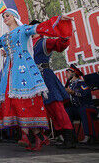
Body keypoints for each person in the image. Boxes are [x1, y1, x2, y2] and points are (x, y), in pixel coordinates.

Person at [0, 8, 73, 151]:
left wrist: (60, 22)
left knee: (46, 106)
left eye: (7, 15)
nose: (4, 18)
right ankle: (34, 135)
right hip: (14, 73)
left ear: (15, 17)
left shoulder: (29, 34)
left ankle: (58, 136)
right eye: (3, 17)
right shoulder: (6, 37)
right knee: (16, 102)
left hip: (32, 73)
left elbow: (43, 30)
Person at [30, 20, 75, 148]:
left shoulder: (44, 42)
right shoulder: (27, 45)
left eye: (33, 28)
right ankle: (51, 136)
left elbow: (60, 45)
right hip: (33, 80)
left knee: (56, 107)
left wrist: (64, 33)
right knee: (42, 109)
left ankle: (69, 139)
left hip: (45, 77)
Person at [65, 64, 97, 144]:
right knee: (67, 111)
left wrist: (73, 92)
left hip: (88, 107)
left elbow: (85, 93)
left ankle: (89, 136)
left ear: (74, 73)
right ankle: (71, 137)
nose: (66, 74)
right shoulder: (69, 85)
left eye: (68, 72)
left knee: (83, 109)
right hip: (77, 109)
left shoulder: (82, 83)